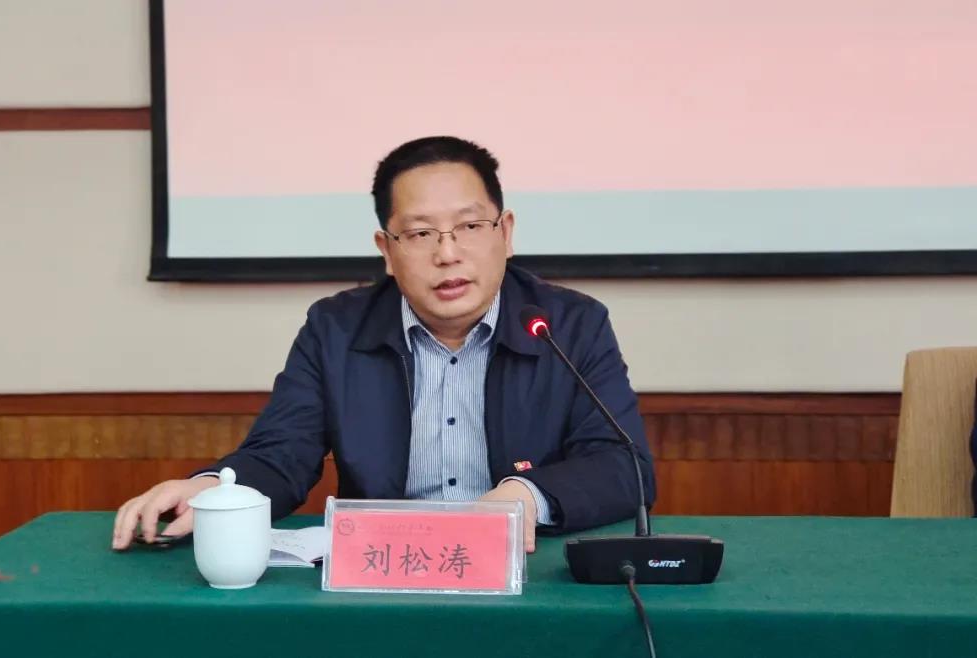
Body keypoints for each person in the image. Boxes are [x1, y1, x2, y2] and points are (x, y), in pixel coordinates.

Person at [113, 136, 656, 553]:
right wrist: (215, 488)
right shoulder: (336, 329)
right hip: (383, 568)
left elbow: (623, 466)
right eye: (420, 234)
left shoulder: (570, 325)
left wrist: (524, 496)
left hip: (524, 570)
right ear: (387, 250)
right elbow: (281, 454)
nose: (448, 253)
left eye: (470, 227)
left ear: (506, 232)